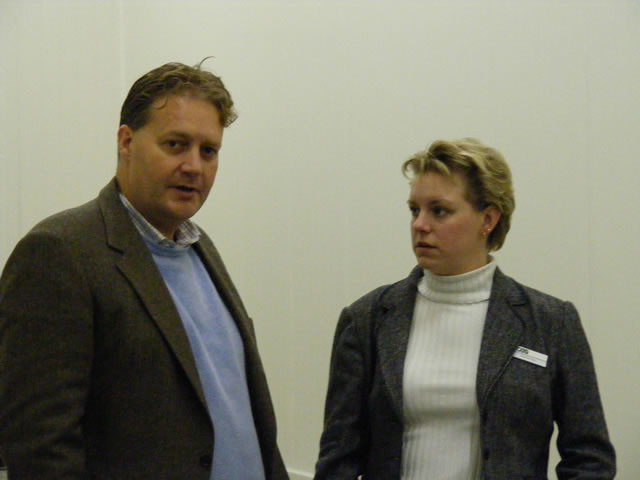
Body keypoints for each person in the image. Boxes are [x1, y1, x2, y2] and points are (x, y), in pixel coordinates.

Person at [0, 61, 288, 479]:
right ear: (126, 141)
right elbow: (39, 446)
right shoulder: (60, 253)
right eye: (175, 144)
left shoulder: (200, 248)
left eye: (208, 151)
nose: (194, 166)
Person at [315, 138, 615, 479]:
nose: (419, 224)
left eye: (439, 210)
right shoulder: (367, 319)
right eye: (414, 210)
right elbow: (337, 459)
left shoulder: (550, 322)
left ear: (488, 219)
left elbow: (590, 457)